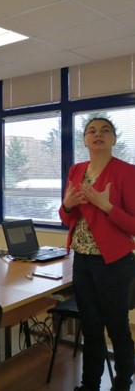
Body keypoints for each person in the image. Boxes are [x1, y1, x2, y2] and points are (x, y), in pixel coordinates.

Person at [60, 117, 135, 391]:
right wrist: (67, 204)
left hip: (113, 263)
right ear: (85, 140)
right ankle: (89, 385)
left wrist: (107, 206)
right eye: (91, 131)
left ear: (114, 139)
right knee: (91, 328)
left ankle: (123, 384)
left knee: (117, 328)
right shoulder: (76, 170)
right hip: (82, 261)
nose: (98, 134)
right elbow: (66, 218)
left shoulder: (127, 172)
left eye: (105, 130)